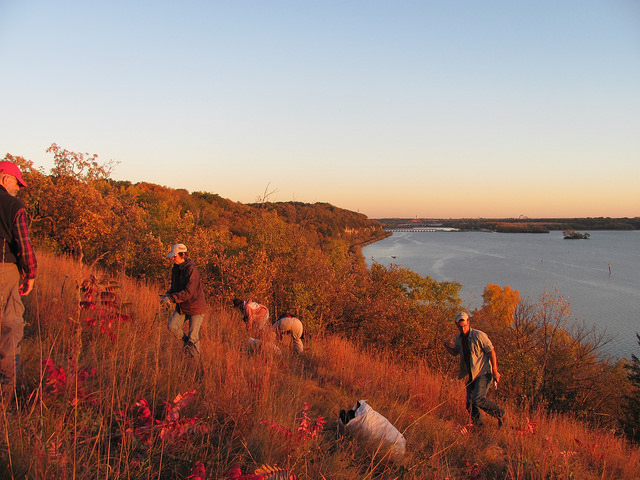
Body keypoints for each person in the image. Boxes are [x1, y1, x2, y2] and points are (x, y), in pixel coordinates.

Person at [0, 160, 37, 399]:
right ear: (5, 179)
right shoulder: (14, 206)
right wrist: (30, 273)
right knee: (10, 327)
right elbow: (23, 244)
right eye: (16, 183)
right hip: (5, 270)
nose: (18, 188)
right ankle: (5, 394)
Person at [443, 312, 505, 427]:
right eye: (460, 327)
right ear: (457, 325)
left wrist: (495, 370)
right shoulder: (459, 338)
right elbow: (455, 352)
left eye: (465, 326)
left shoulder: (479, 335)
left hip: (484, 373)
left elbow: (491, 351)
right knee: (470, 404)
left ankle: (500, 413)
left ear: (468, 323)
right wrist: (447, 346)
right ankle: (479, 426)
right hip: (472, 375)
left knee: (477, 399)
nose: (463, 329)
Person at [161, 243, 206, 357]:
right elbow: (175, 287)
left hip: (196, 307)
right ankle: (188, 344)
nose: (172, 258)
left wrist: (171, 298)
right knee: (172, 326)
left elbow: (188, 292)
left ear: (182, 255)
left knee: (193, 336)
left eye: (175, 256)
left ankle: (195, 363)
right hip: (182, 306)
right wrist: (167, 294)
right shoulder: (176, 268)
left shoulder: (191, 270)